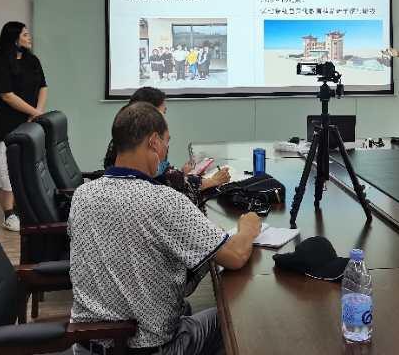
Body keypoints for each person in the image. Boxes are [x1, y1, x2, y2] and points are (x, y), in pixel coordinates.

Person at [69, 102, 261, 354]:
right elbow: (235, 256)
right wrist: (248, 228)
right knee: (234, 317)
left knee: (185, 307)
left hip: (86, 347)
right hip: (150, 349)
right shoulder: (165, 201)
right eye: (167, 142)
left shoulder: (82, 195)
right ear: (153, 142)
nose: (167, 150)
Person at [0, 22, 48, 233]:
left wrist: (37, 112)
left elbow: (43, 86)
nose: (29, 38)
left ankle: (25, 209)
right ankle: (9, 214)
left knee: (28, 165)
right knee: (6, 169)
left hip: (32, 121)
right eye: (25, 34)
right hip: (7, 122)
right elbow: (7, 95)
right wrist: (34, 112)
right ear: (14, 38)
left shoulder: (32, 60)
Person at [103, 87, 230, 190]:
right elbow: (161, 181)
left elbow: (163, 174)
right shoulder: (161, 197)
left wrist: (182, 174)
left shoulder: (122, 134)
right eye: (162, 113)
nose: (164, 119)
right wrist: (211, 181)